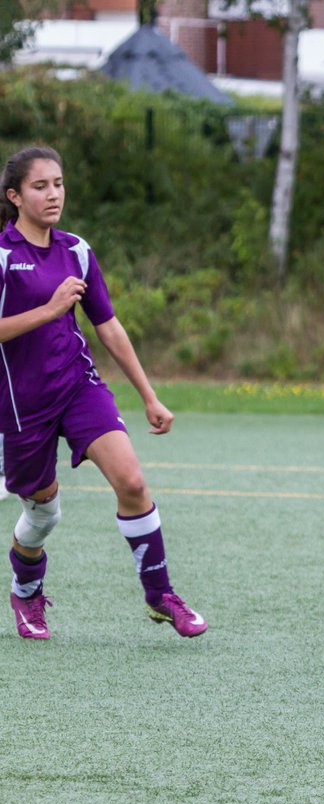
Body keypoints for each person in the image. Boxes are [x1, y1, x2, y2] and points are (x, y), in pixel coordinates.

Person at [1, 146, 206, 640]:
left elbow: (108, 328)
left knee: (132, 482)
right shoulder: (4, 256)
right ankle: (26, 591)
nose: (53, 194)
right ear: (15, 196)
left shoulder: (77, 250)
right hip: (21, 404)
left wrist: (149, 396)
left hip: (78, 386)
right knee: (43, 513)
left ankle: (160, 597)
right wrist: (48, 311)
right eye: (40, 186)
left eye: (58, 183)